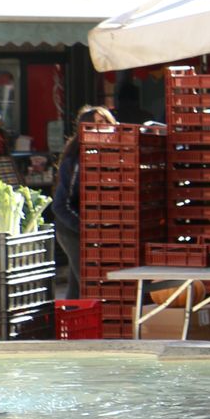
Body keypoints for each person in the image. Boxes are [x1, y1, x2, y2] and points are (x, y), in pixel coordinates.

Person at [51, 104, 116, 300]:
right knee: (87, 282)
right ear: (85, 129)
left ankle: (71, 323)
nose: (103, 126)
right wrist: (83, 226)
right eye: (97, 123)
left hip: (90, 230)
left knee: (76, 285)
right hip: (71, 230)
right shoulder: (77, 161)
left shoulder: (111, 156)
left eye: (106, 121)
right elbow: (60, 205)